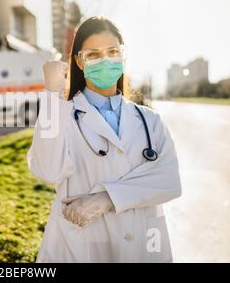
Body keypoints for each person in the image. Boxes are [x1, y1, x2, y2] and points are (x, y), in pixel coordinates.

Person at [27, 16, 182, 263]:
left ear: (123, 55)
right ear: (79, 61)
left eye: (113, 51)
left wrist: (107, 198)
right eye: (93, 54)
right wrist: (51, 95)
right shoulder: (61, 115)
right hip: (81, 247)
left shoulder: (149, 120)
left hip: (144, 247)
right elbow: (47, 171)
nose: (105, 60)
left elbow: (169, 180)